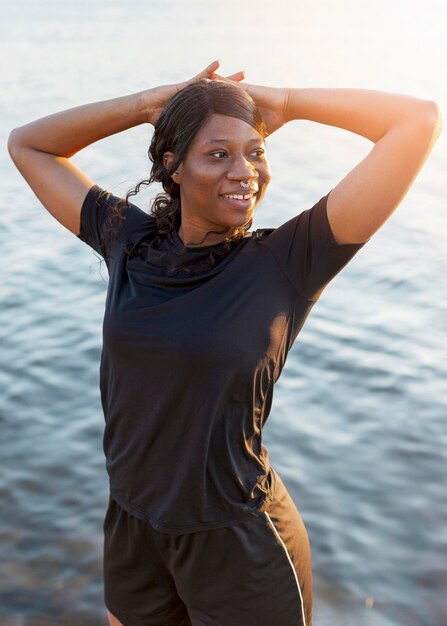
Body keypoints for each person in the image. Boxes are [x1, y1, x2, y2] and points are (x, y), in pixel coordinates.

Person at [8, 60, 441, 626]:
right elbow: (29, 146)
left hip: (238, 544)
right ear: (173, 166)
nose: (246, 171)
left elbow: (417, 121)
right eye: (218, 154)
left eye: (255, 152)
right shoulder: (129, 242)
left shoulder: (290, 260)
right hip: (133, 525)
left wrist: (286, 101)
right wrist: (145, 106)